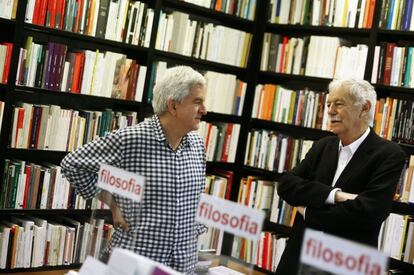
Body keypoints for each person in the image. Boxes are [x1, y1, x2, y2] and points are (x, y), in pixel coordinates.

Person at [61, 66, 208, 274]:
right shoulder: (129, 140)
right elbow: (72, 164)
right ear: (173, 106)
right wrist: (112, 202)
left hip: (183, 265)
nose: (204, 110)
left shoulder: (197, 146)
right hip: (136, 264)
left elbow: (195, 202)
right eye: (197, 102)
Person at [275, 78, 406, 274]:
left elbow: (369, 212)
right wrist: (335, 195)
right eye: (329, 104)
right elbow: (286, 185)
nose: (330, 111)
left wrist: (308, 211)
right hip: (299, 258)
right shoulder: (323, 145)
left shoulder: (389, 154)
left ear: (364, 108)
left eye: (338, 104)